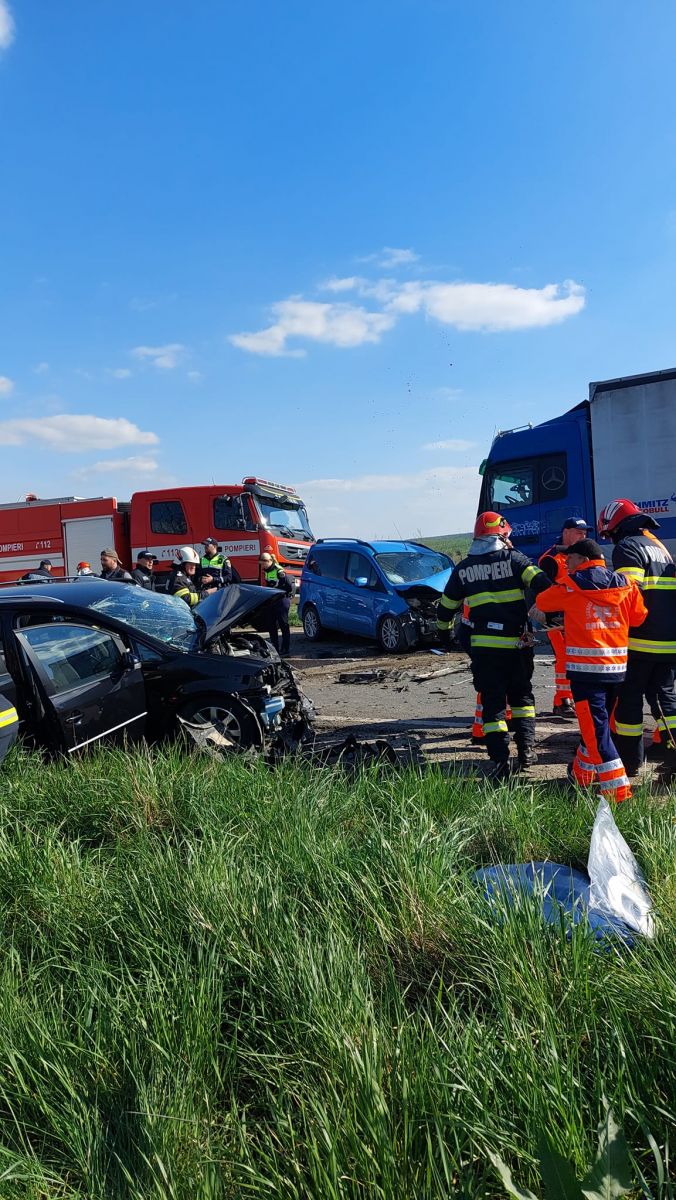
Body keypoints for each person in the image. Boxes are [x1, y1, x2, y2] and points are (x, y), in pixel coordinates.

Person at [437, 511, 549, 779]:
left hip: (485, 649)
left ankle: (500, 760)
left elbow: (446, 607)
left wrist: (445, 635)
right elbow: (543, 583)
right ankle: (526, 751)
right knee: (522, 698)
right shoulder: (516, 560)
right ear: (502, 536)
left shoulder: (463, 569)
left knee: (493, 704)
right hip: (517, 645)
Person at [534, 538, 647, 802]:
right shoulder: (626, 584)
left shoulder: (570, 585)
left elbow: (542, 601)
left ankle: (618, 792)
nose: (567, 564)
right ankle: (581, 774)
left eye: (570, 559)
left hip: (586, 674)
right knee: (597, 727)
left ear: (584, 560)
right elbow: (639, 617)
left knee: (596, 734)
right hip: (616, 670)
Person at [597, 498, 676, 773]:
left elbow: (627, 595)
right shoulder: (658, 546)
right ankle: (673, 757)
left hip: (640, 641)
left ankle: (629, 762)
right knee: (664, 700)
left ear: (616, 525)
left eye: (609, 534)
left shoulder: (627, 547)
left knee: (629, 700)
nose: (610, 539)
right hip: (669, 640)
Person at [538, 517, 595, 718]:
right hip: (557, 619)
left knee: (577, 657)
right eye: (579, 532)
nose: (583, 535)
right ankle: (563, 700)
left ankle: (573, 699)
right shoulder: (551, 558)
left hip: (578, 617)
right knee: (564, 658)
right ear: (566, 532)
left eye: (584, 533)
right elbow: (544, 592)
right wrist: (552, 617)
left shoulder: (583, 555)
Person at [260, 551, 293, 656]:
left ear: (268, 561)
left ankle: (285, 649)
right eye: (261, 564)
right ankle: (275, 649)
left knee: (283, 625)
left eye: (263, 564)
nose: (262, 566)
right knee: (271, 625)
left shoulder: (279, 571)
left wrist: (277, 589)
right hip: (273, 600)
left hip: (282, 600)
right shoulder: (267, 570)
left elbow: (288, 586)